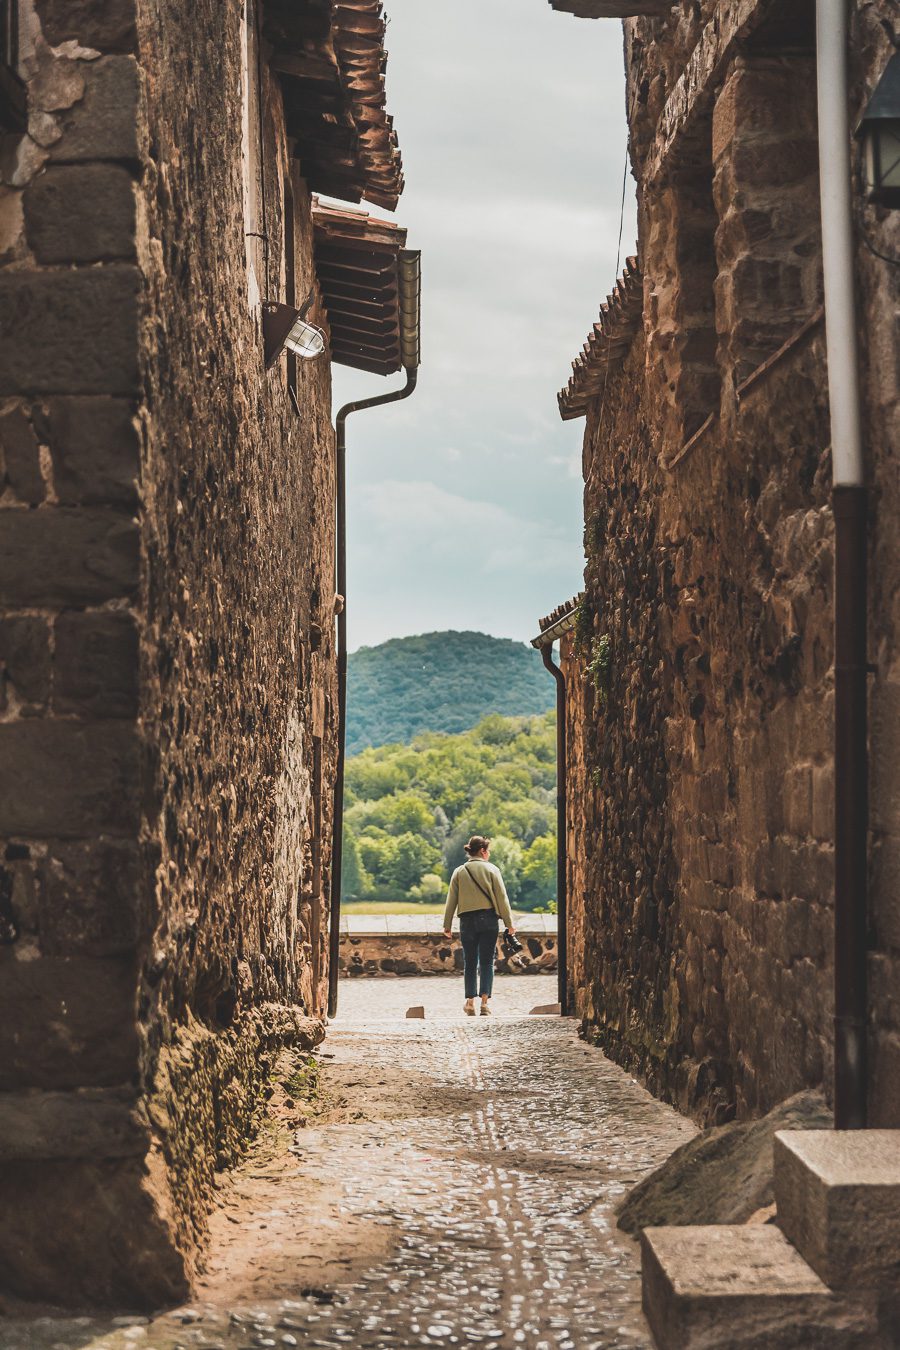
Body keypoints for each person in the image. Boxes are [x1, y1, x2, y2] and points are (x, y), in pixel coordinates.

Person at [442, 835, 516, 1016]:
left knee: (470, 961)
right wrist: (509, 924)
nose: (488, 853)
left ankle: (469, 1003)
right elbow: (502, 899)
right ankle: (484, 1003)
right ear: (483, 851)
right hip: (489, 919)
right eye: (488, 850)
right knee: (486, 961)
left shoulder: (459, 872)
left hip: (467, 921)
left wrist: (447, 925)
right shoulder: (492, 870)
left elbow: (451, 900)